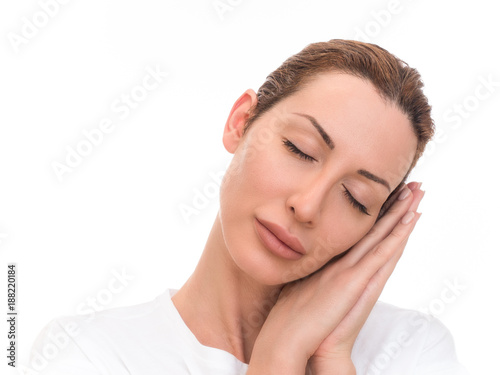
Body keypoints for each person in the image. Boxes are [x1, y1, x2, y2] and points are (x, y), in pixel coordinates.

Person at [29, 39, 468, 374]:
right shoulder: (85, 351)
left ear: (380, 222)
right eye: (300, 149)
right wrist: (279, 356)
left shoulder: (413, 348)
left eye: (357, 198)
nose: (307, 206)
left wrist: (326, 354)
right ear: (240, 123)